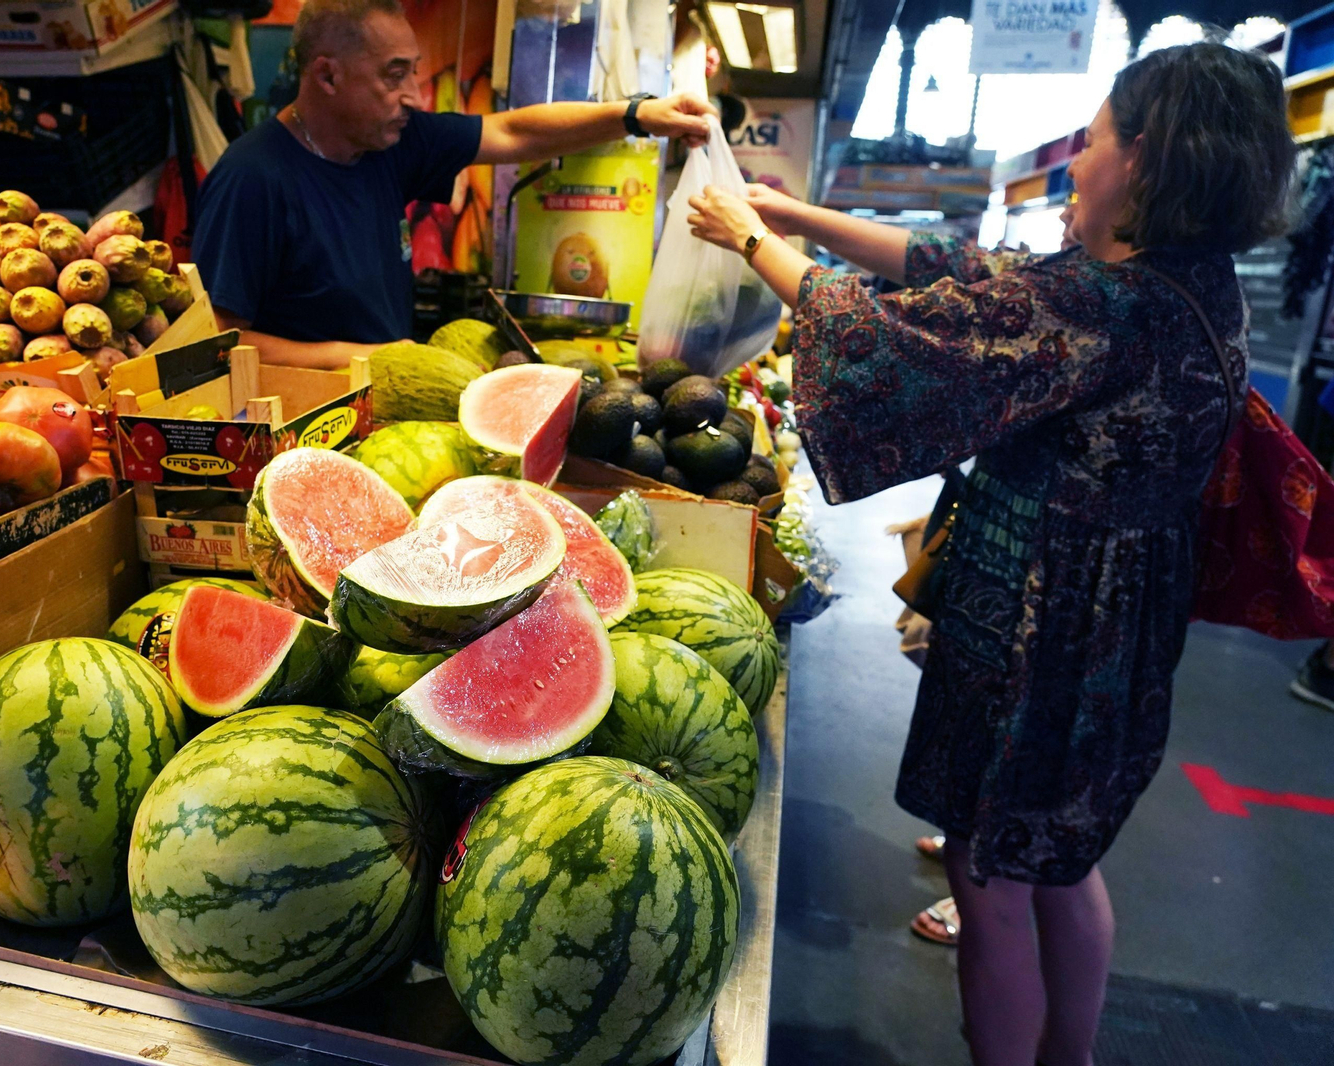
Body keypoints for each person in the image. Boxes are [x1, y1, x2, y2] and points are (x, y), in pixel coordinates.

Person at [686, 41, 1295, 1066]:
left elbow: (897, 342)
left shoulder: (1102, 307)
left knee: (984, 869)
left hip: (1038, 621)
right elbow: (962, 275)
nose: (1077, 165)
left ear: (1143, 161)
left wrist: (752, 240)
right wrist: (792, 218)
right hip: (1126, 620)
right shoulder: (1194, 290)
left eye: (1093, 139)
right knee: (1060, 859)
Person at [191, 0, 713, 370]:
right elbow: (211, 342)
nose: (415, 96)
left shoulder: (392, 141)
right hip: (300, 430)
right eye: (395, 76)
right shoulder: (252, 179)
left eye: (415, 73)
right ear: (327, 77)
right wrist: (353, 356)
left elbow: (513, 130)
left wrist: (637, 115)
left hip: (386, 400)